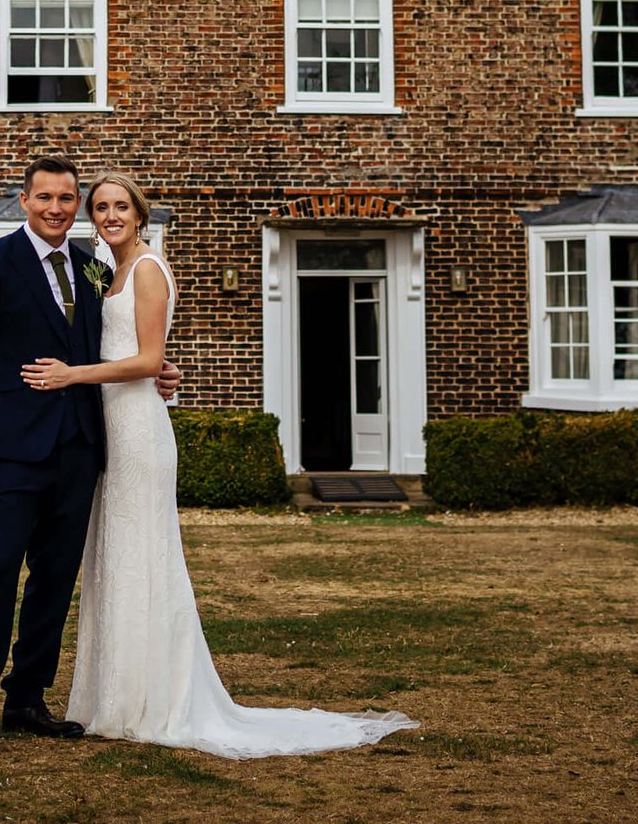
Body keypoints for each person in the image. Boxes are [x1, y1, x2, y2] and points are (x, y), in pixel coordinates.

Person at [26, 170, 417, 758]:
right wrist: (151, 377)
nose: (109, 217)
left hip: (137, 432)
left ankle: (160, 699)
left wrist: (72, 374)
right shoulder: (103, 273)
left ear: (141, 214)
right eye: (100, 207)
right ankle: (112, 699)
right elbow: (140, 357)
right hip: (108, 429)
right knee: (112, 557)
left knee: (146, 557)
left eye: (120, 208)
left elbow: (149, 357)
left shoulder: (150, 269)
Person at [0, 155, 178, 760]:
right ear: (24, 201)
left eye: (67, 199)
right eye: (44, 197)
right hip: (11, 455)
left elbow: (112, 347)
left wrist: (161, 369)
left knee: (54, 581)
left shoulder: (91, 266)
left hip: (79, 451)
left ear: (77, 206)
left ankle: (27, 699)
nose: (56, 208)